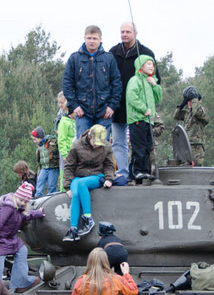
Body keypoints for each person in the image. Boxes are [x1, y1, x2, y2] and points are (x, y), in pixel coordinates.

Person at [109, 22, 158, 179]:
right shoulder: (113, 52)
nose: (124, 34)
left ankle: (141, 171)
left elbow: (155, 78)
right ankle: (122, 173)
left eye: (128, 31)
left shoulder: (145, 53)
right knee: (118, 142)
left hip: (139, 109)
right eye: (122, 31)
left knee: (142, 143)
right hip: (117, 105)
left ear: (135, 33)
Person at [62, 25, 122, 138]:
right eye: (89, 38)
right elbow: (67, 84)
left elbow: (117, 83)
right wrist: (74, 105)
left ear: (100, 39)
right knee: (83, 148)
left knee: (101, 147)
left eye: (95, 38)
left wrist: (112, 106)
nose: (92, 41)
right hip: (82, 111)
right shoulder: (74, 58)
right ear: (84, 38)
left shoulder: (108, 58)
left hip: (104, 112)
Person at [0, 182, 44, 293]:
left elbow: (27, 215)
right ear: (15, 197)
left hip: (10, 239)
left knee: (22, 250)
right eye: (21, 200)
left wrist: (39, 213)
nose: (23, 203)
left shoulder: (19, 208)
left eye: (26, 201)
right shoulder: (8, 207)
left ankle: (21, 282)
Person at [62, 125, 116, 242]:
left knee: (82, 184)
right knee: (75, 194)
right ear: (89, 136)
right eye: (95, 142)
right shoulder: (77, 145)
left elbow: (109, 165)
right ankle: (73, 229)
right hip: (79, 175)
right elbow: (69, 166)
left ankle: (88, 218)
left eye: (99, 143)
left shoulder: (106, 146)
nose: (97, 145)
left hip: (96, 175)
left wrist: (109, 178)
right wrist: (67, 187)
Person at [126, 54, 162, 182]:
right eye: (148, 64)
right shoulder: (135, 80)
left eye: (153, 64)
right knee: (139, 147)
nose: (151, 66)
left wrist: (155, 85)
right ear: (140, 66)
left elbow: (158, 98)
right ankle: (136, 171)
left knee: (148, 147)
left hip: (148, 120)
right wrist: (143, 108)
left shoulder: (149, 81)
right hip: (137, 119)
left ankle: (145, 171)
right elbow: (132, 96)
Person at [174, 86, 209, 166]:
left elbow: (196, 112)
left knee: (196, 168)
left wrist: (194, 98)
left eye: (191, 101)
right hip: (186, 144)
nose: (189, 103)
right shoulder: (188, 113)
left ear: (197, 101)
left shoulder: (202, 111)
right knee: (186, 167)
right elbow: (176, 116)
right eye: (188, 101)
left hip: (196, 146)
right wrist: (182, 104)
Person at [31, 126, 59, 197]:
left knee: (52, 185)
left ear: (39, 137)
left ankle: (51, 197)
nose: (34, 141)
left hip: (53, 168)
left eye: (35, 139)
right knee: (40, 181)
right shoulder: (39, 146)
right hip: (44, 168)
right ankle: (38, 196)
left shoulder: (50, 141)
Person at [56, 92, 76, 189]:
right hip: (66, 152)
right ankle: (63, 191)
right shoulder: (63, 121)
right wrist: (64, 154)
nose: (60, 105)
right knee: (64, 173)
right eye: (59, 102)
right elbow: (61, 139)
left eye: (62, 102)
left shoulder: (74, 121)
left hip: (74, 152)